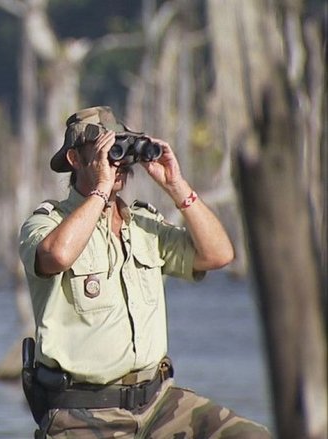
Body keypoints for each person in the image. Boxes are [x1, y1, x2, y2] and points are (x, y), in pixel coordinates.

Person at [18, 106, 270, 438]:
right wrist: (100, 189)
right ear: (75, 160)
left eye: (121, 149)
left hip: (158, 404)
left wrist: (176, 185)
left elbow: (218, 255)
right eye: (105, 150)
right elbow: (58, 255)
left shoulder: (142, 224)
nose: (117, 162)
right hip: (84, 412)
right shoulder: (47, 223)